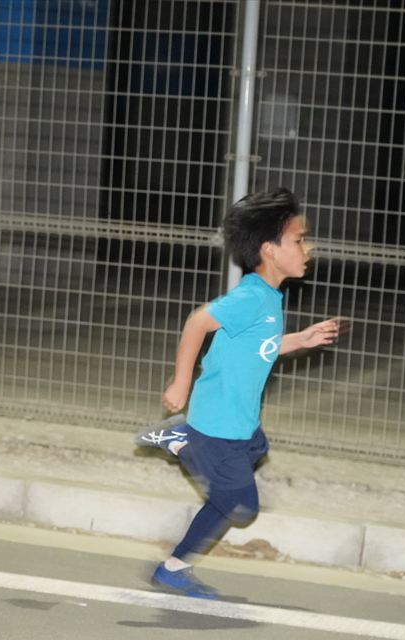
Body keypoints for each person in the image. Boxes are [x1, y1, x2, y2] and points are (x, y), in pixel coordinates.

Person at [136, 187, 341, 599]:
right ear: (269, 250)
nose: (308, 248)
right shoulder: (250, 297)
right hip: (218, 423)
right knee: (241, 506)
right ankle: (182, 441)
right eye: (299, 240)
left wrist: (300, 339)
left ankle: (173, 569)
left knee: (248, 462)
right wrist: (181, 381)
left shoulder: (268, 296)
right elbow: (198, 321)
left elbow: (260, 346)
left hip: (239, 422)